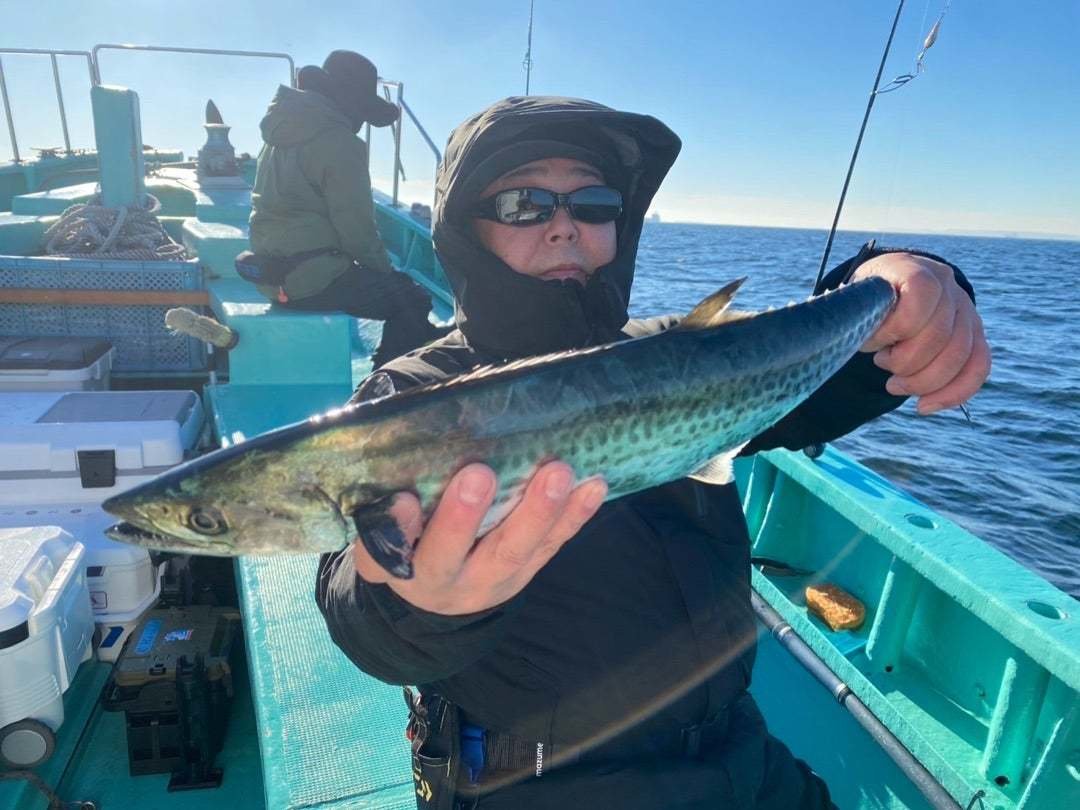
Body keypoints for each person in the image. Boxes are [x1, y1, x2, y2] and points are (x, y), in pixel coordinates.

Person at [315, 97, 990, 809]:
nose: (564, 226)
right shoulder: (414, 396)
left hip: (739, 758)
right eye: (522, 204)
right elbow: (357, 611)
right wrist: (417, 607)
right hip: (540, 785)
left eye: (594, 203)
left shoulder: (672, 354)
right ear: (465, 229)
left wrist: (899, 277)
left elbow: (824, 360)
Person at [247, 50, 445, 367]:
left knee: (398, 296)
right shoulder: (340, 142)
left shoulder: (275, 136)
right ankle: (387, 382)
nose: (361, 122)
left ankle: (412, 348)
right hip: (311, 281)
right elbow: (356, 228)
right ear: (349, 103)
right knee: (411, 299)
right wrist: (386, 273)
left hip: (271, 276)